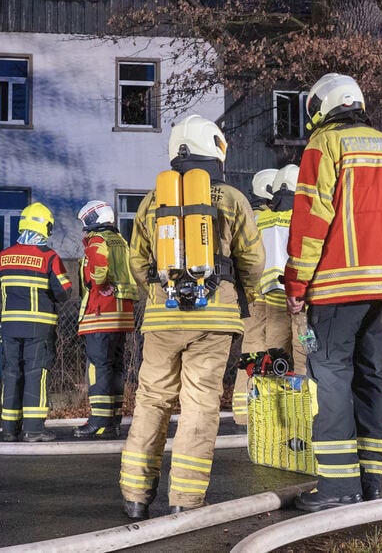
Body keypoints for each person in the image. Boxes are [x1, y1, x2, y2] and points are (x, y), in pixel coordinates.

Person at [120, 114, 262, 518]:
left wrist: (157, 291)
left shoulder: (152, 201)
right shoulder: (232, 199)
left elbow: (137, 261)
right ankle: (184, 500)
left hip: (162, 319)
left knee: (151, 401)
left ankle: (135, 496)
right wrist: (245, 296)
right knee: (199, 405)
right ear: (213, 150)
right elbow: (252, 259)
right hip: (213, 320)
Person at [283, 73, 382, 512]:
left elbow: (312, 219)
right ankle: (371, 480)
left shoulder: (324, 144)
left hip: (337, 285)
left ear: (322, 105)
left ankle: (337, 488)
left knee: (329, 380)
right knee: (369, 376)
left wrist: (296, 283)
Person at [0, 202, 72, 443]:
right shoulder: (49, 257)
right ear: (45, 227)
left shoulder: (4, 256)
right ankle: (33, 429)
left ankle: (9, 430)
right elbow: (64, 291)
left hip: (10, 327)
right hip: (39, 328)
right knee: (36, 373)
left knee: (12, 373)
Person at [73, 200, 138, 439]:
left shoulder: (97, 241)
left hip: (100, 313)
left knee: (98, 368)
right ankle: (113, 421)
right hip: (122, 316)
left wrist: (93, 282)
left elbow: (97, 271)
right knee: (116, 369)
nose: (85, 229)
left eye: (85, 224)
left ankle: (98, 421)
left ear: (93, 219)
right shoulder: (121, 241)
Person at [232, 168, 276, 429]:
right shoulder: (274, 220)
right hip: (271, 295)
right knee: (271, 349)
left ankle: (242, 410)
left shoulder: (250, 218)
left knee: (250, 349)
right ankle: (266, 408)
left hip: (248, 296)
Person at [262, 165, 304, 374]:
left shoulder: (260, 220)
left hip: (270, 297)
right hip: (299, 296)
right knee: (304, 351)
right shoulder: (303, 220)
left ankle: (275, 403)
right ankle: (308, 403)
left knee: (275, 355)